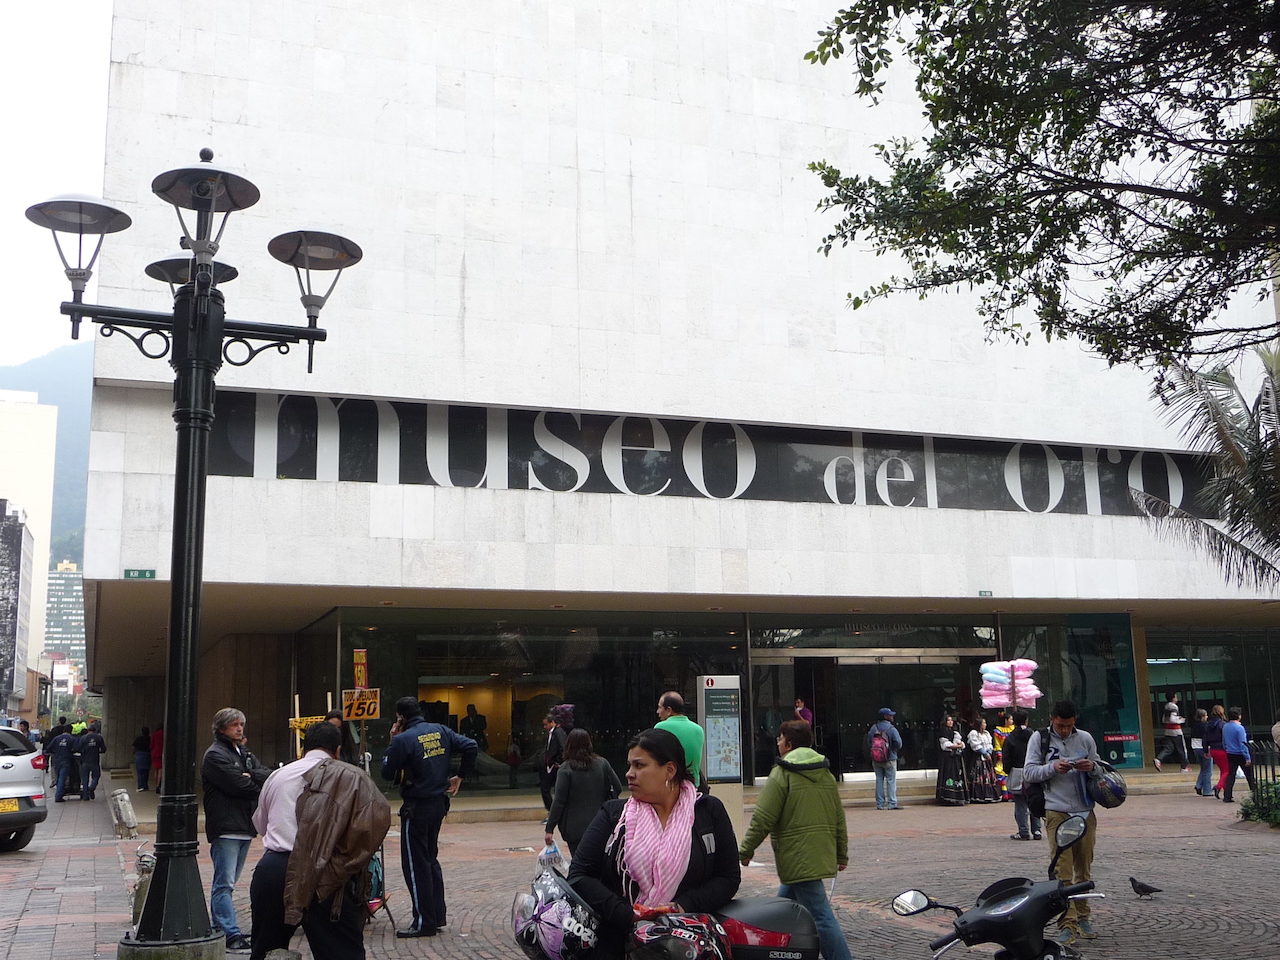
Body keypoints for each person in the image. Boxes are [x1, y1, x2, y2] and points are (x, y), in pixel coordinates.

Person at [567, 728, 741, 957]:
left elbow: (728, 877)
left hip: (684, 947)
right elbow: (579, 875)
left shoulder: (708, 812)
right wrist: (628, 914)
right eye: (630, 765)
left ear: (669, 770)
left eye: (639, 765)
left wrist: (680, 907)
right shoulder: (613, 815)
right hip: (616, 945)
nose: (629, 773)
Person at [249, 722, 391, 960]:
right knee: (343, 953)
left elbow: (262, 826)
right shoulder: (351, 776)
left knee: (267, 952)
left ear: (305, 748)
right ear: (336, 750)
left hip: (275, 870)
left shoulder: (278, 775)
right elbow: (374, 824)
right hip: (324, 874)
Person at [739, 720, 851, 960]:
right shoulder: (825, 773)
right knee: (781, 909)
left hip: (797, 857)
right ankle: (779, 952)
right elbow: (838, 817)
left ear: (788, 744)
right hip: (815, 854)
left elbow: (763, 817)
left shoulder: (782, 773)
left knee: (821, 915)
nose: (777, 743)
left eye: (780, 739)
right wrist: (841, 854)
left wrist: (746, 849)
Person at [381, 695, 478, 938]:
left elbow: (386, 772)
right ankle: (436, 914)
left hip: (417, 805)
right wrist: (460, 776)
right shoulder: (441, 731)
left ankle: (424, 921)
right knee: (430, 859)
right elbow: (471, 746)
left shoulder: (403, 739)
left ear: (401, 718)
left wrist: (392, 740)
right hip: (438, 804)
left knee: (415, 864)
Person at [1022, 700, 1100, 946]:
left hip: (1085, 810)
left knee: (1083, 868)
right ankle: (1067, 923)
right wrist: (1053, 768)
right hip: (1056, 810)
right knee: (1062, 870)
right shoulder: (1039, 739)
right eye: (1061, 725)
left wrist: (1093, 767)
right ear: (1051, 719)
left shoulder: (1086, 739)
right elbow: (1029, 772)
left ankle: (1083, 916)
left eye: (1069, 726)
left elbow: (1102, 770)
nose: (1065, 730)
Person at [202, 707, 271, 952]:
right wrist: (253, 781)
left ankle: (223, 927)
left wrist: (250, 774)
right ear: (221, 728)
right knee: (225, 882)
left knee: (229, 880)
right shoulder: (215, 755)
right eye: (234, 725)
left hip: (244, 824)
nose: (239, 728)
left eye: (241, 724)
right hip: (227, 825)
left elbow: (266, 774)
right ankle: (228, 932)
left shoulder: (242, 751)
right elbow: (238, 785)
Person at [544, 728, 623, 855]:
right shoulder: (602, 764)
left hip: (574, 829)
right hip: (601, 824)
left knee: (579, 863)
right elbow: (617, 786)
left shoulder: (565, 769)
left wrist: (549, 828)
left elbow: (559, 801)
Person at [1002, 711, 1041, 840]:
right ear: (1026, 720)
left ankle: (1023, 831)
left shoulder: (1010, 738)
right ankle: (1037, 831)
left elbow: (1006, 757)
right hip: (1033, 770)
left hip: (1017, 771)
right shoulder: (1034, 735)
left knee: (1020, 803)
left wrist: (1008, 771)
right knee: (1034, 799)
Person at [655, 691, 706, 787]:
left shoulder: (660, 727)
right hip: (693, 787)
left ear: (669, 710)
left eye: (659, 707)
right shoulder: (698, 729)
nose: (657, 711)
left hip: (670, 786)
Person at [865, 707, 903, 811]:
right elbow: (899, 744)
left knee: (879, 780)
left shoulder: (874, 728)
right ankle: (892, 803)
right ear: (886, 717)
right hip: (890, 758)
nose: (892, 716)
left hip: (876, 758)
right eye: (890, 715)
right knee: (891, 780)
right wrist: (893, 750)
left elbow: (869, 741)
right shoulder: (891, 729)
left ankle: (880, 804)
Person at [1221, 706, 1256, 804]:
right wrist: (1247, 757)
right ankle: (1255, 794)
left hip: (1230, 753)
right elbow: (1242, 743)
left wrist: (1226, 748)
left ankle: (1227, 795)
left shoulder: (1225, 726)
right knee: (1250, 775)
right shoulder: (1240, 728)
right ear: (1239, 716)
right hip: (1240, 753)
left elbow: (1224, 741)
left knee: (1231, 775)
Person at [966, 716, 1001, 803]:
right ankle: (977, 795)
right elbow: (975, 745)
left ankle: (990, 795)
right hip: (978, 757)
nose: (985, 725)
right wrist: (984, 753)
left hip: (987, 757)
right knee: (978, 775)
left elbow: (990, 744)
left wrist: (989, 752)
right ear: (980, 725)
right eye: (984, 723)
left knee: (989, 776)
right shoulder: (973, 733)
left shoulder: (986, 733)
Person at [935, 715, 968, 806]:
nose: (950, 722)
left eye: (951, 720)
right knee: (949, 774)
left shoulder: (955, 732)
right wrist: (957, 746)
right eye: (948, 720)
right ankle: (947, 796)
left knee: (957, 774)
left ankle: (958, 796)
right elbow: (946, 745)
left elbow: (960, 742)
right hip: (947, 758)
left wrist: (960, 745)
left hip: (955, 758)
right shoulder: (942, 732)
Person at [1154, 692, 1189, 772]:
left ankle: (1159, 759)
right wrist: (1181, 720)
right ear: (1173, 698)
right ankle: (1184, 767)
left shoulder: (1166, 706)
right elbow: (1172, 719)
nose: (1177, 698)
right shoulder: (1174, 707)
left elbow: (1164, 719)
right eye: (1176, 697)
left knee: (1169, 748)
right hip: (1176, 731)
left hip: (1168, 730)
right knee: (1181, 748)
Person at [540, 711, 568, 810]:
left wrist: (558, 762)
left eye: (546, 724)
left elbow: (562, 747)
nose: (545, 727)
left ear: (552, 722)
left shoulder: (558, 732)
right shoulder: (551, 733)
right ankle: (552, 810)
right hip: (549, 764)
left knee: (551, 789)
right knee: (545, 788)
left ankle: (554, 810)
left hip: (554, 765)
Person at [47, 725, 78, 803]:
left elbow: (48, 748)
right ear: (71, 731)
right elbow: (76, 749)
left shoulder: (56, 738)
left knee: (58, 777)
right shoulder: (72, 739)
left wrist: (55, 752)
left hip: (57, 761)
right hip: (66, 760)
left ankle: (60, 792)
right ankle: (58, 796)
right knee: (62, 778)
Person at [78, 724, 106, 801]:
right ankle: (92, 788)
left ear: (88, 730)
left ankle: (85, 796)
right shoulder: (99, 737)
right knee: (96, 776)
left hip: (85, 761)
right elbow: (103, 749)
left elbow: (79, 748)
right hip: (95, 761)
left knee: (85, 779)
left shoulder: (83, 738)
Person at [1206, 704, 1229, 799]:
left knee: (1223, 771)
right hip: (1222, 749)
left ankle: (1225, 789)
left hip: (1213, 749)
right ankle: (1219, 787)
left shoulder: (1208, 724)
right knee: (1228, 770)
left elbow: (1205, 738)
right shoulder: (1222, 724)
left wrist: (1205, 750)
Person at [1190, 708, 1213, 796]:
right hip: (1204, 748)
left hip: (1195, 748)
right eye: (1206, 715)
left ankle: (1199, 785)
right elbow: (1207, 738)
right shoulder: (1206, 726)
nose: (1207, 717)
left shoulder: (1194, 725)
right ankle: (1207, 791)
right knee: (1208, 770)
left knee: (1203, 768)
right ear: (1203, 716)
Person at [133, 726, 152, 792]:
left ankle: (140, 786)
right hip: (147, 754)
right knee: (146, 771)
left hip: (139, 755)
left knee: (140, 772)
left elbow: (134, 746)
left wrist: (134, 753)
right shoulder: (149, 739)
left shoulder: (139, 739)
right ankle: (145, 785)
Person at [151, 724, 165, 792]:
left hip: (155, 753)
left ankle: (156, 783)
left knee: (155, 770)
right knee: (160, 770)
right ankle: (158, 785)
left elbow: (151, 745)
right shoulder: (165, 734)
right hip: (161, 753)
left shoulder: (154, 734)